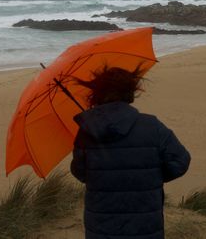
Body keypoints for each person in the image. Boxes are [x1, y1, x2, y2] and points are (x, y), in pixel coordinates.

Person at [70, 66, 191, 239]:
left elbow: (80, 172)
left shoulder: (87, 132)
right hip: (145, 225)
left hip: (102, 225)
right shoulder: (152, 126)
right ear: (130, 92)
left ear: (97, 94)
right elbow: (180, 162)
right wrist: (151, 175)